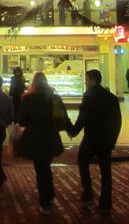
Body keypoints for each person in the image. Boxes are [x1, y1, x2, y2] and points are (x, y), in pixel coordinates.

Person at [69, 69, 122, 214]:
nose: (85, 82)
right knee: (106, 170)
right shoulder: (111, 97)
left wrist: (73, 130)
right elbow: (117, 120)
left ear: (92, 80)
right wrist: (112, 139)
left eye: (86, 80)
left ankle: (87, 193)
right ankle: (105, 202)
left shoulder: (89, 96)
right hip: (105, 139)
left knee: (83, 162)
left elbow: (83, 118)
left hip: (91, 138)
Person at [17, 71, 70, 215]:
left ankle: (45, 201)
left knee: (40, 169)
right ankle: (49, 194)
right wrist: (72, 130)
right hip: (50, 137)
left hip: (34, 138)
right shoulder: (53, 97)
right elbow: (63, 116)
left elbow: (22, 120)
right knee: (46, 166)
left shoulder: (27, 99)